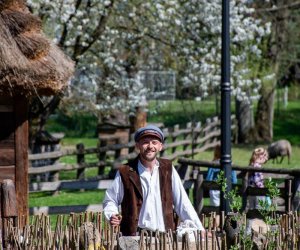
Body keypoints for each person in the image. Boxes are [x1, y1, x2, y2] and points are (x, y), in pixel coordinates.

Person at [103, 124, 204, 236]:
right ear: (138, 145)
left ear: (160, 146)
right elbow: (110, 199)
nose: (150, 146)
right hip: (134, 238)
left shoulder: (168, 169)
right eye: (145, 142)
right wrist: (112, 214)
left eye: (154, 142)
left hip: (164, 238)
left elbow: (183, 203)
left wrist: (199, 229)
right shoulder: (126, 172)